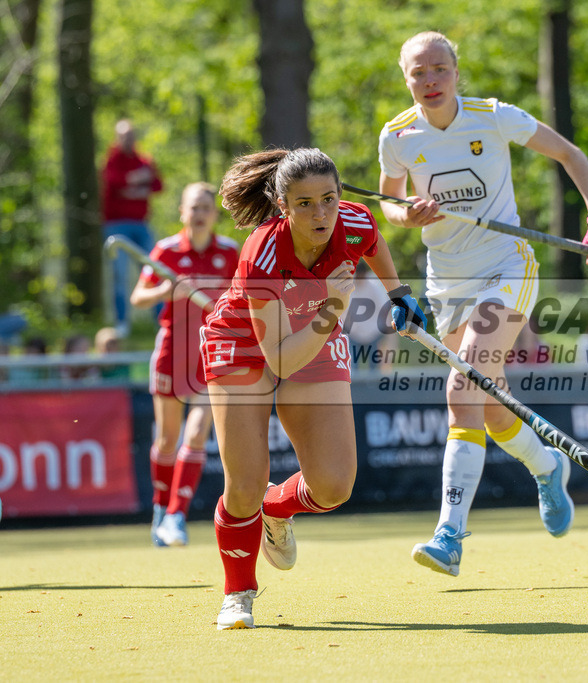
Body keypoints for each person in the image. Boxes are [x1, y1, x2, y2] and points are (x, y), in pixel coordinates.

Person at [377, 31, 588, 577]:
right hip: (446, 280)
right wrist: (407, 215)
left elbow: (569, 153)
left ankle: (449, 535)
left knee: (461, 387)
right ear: (406, 79)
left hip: (506, 268)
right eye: (419, 72)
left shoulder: (493, 117)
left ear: (456, 71)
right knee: (489, 403)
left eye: (440, 69)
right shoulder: (397, 135)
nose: (431, 80)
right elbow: (389, 202)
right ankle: (547, 466)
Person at [200, 148, 413, 630]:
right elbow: (279, 359)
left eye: (329, 199)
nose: (321, 214)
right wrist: (332, 308)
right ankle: (238, 593)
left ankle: (276, 508)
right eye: (304, 204)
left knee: (334, 486)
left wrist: (399, 294)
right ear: (282, 205)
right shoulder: (262, 251)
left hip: (313, 334)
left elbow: (373, 241)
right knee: (244, 486)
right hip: (244, 345)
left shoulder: (352, 221)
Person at [130, 182, 239, 547]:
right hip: (173, 351)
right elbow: (138, 298)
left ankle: (177, 515)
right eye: (194, 207)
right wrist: (166, 291)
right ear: (182, 212)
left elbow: (243, 299)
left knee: (195, 435)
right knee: (166, 439)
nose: (199, 214)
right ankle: (161, 509)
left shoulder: (229, 252)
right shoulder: (166, 250)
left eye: (206, 207)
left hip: (212, 353)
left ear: (215, 214)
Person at [102, 119, 164, 334]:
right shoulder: (112, 160)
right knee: (120, 275)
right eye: (124, 136)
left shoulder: (144, 160)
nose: (128, 140)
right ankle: (122, 323)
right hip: (116, 226)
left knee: (153, 270)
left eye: (131, 135)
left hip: (141, 224)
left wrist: (133, 188)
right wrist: (138, 180)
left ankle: (161, 321)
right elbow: (114, 183)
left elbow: (157, 185)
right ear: (117, 138)